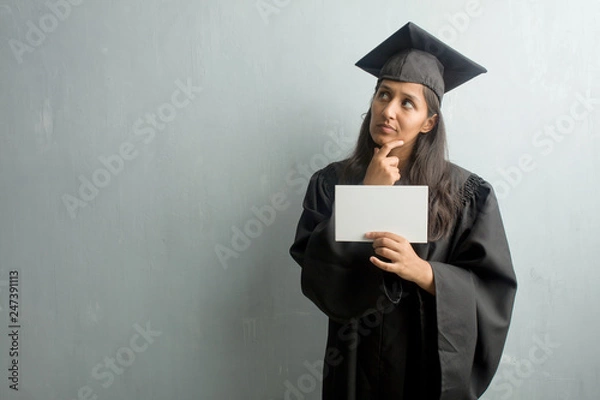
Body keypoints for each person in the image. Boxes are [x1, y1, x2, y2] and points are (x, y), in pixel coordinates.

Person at [289, 22, 517, 399]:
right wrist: (367, 193)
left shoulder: (467, 195)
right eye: (383, 94)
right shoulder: (331, 183)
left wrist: (426, 273)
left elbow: (493, 291)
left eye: (406, 102)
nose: (388, 110)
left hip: (424, 364)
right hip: (353, 365)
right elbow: (316, 272)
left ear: (429, 121)